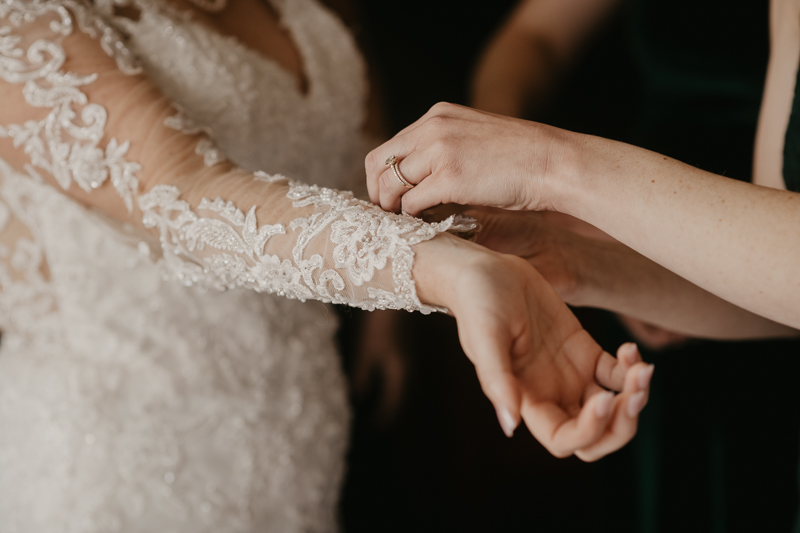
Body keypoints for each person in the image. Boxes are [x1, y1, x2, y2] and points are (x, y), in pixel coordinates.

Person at [0, 0, 654, 529]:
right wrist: (444, 270)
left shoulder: (318, 11)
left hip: (297, 434)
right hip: (120, 455)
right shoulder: (26, 24)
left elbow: (356, 171)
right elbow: (186, 199)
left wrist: (588, 256)